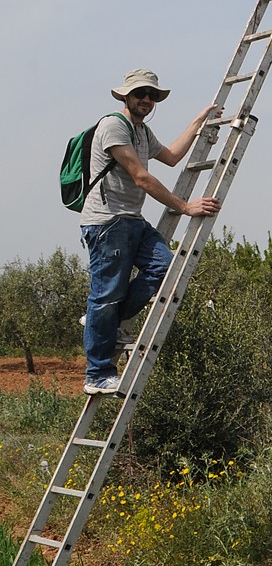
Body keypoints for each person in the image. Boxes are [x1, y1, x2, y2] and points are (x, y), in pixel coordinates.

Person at [79, 69, 220, 395]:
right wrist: (185, 207)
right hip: (107, 223)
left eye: (152, 95)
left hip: (131, 220)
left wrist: (197, 123)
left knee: (166, 266)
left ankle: (104, 323)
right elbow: (141, 177)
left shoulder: (142, 132)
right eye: (141, 93)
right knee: (106, 297)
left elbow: (170, 157)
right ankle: (97, 374)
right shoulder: (114, 126)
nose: (147, 100)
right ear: (126, 96)